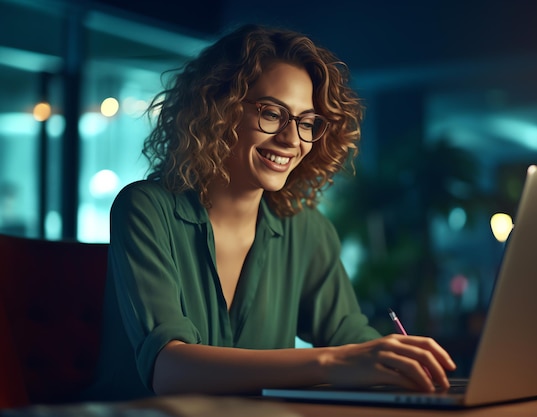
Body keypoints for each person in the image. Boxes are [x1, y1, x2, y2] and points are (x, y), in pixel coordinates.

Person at [83, 23, 456, 401]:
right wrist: (327, 363)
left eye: (307, 122)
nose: (292, 139)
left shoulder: (306, 229)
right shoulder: (146, 208)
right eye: (272, 113)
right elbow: (169, 370)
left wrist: (399, 361)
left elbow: (349, 337)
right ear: (218, 108)